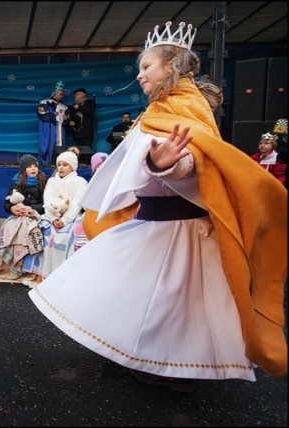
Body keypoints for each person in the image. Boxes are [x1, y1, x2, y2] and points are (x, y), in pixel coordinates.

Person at [28, 21, 287, 391]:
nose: (140, 76)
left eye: (147, 67)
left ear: (171, 65)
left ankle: (171, 367)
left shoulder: (183, 108)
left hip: (178, 228)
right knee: (157, 301)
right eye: (139, 69)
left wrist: (167, 164)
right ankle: (154, 360)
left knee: (176, 305)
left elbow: (196, 164)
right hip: (155, 223)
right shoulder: (164, 108)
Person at [21, 150, 88, 287]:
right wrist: (53, 219)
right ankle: (42, 272)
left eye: (65, 165)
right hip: (51, 217)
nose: (61, 168)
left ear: (73, 167)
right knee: (44, 231)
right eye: (59, 164)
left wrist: (64, 220)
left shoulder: (80, 182)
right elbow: (48, 201)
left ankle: (65, 274)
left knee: (69, 234)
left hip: (71, 218)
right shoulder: (51, 181)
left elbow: (77, 204)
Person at [0, 154, 47, 284]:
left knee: (27, 230)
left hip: (34, 214)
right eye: (29, 167)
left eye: (35, 166)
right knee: (8, 228)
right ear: (23, 170)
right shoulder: (16, 181)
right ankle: (11, 265)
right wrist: (12, 209)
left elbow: (45, 204)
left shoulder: (43, 181)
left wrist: (30, 208)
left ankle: (29, 268)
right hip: (18, 215)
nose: (33, 169)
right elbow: (6, 203)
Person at [37, 81, 68, 166]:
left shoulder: (63, 107)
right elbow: (40, 113)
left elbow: (66, 120)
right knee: (47, 146)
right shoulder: (44, 103)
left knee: (59, 147)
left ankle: (58, 164)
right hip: (48, 129)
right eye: (60, 94)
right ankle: (45, 164)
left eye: (63, 94)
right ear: (55, 93)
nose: (62, 96)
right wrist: (52, 114)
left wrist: (66, 119)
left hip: (59, 130)